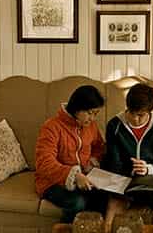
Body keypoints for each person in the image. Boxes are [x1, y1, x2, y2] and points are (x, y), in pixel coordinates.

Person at [102, 83, 153, 231]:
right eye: (132, 112)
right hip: (125, 183)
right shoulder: (114, 125)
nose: (135, 119)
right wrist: (130, 171)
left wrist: (148, 168)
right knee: (113, 207)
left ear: (150, 111)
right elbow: (113, 162)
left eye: (140, 115)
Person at [35, 85, 106, 223]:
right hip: (51, 182)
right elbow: (44, 163)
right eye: (90, 113)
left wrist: (92, 161)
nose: (92, 118)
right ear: (77, 107)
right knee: (77, 203)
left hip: (83, 177)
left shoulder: (91, 126)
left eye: (95, 114)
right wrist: (74, 175)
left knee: (103, 197)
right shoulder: (51, 127)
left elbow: (98, 147)